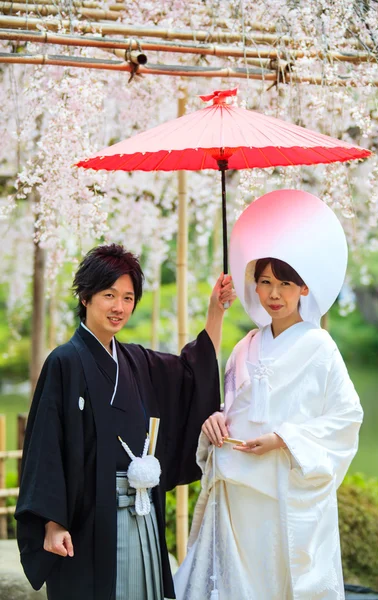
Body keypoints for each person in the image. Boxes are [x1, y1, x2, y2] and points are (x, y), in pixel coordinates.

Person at [15, 243, 235, 600]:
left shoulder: (137, 361)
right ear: (85, 297)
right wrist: (53, 523)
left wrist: (216, 311)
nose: (119, 307)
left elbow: (190, 376)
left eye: (128, 298)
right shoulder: (64, 362)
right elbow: (45, 449)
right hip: (88, 521)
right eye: (109, 295)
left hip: (142, 513)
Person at [174, 189, 364, 600]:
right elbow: (229, 407)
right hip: (239, 493)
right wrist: (216, 420)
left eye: (284, 283)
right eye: (264, 282)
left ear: (304, 289)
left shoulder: (320, 347)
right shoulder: (244, 347)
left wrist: (283, 439)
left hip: (285, 492)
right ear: (254, 287)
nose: (274, 294)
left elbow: (347, 418)